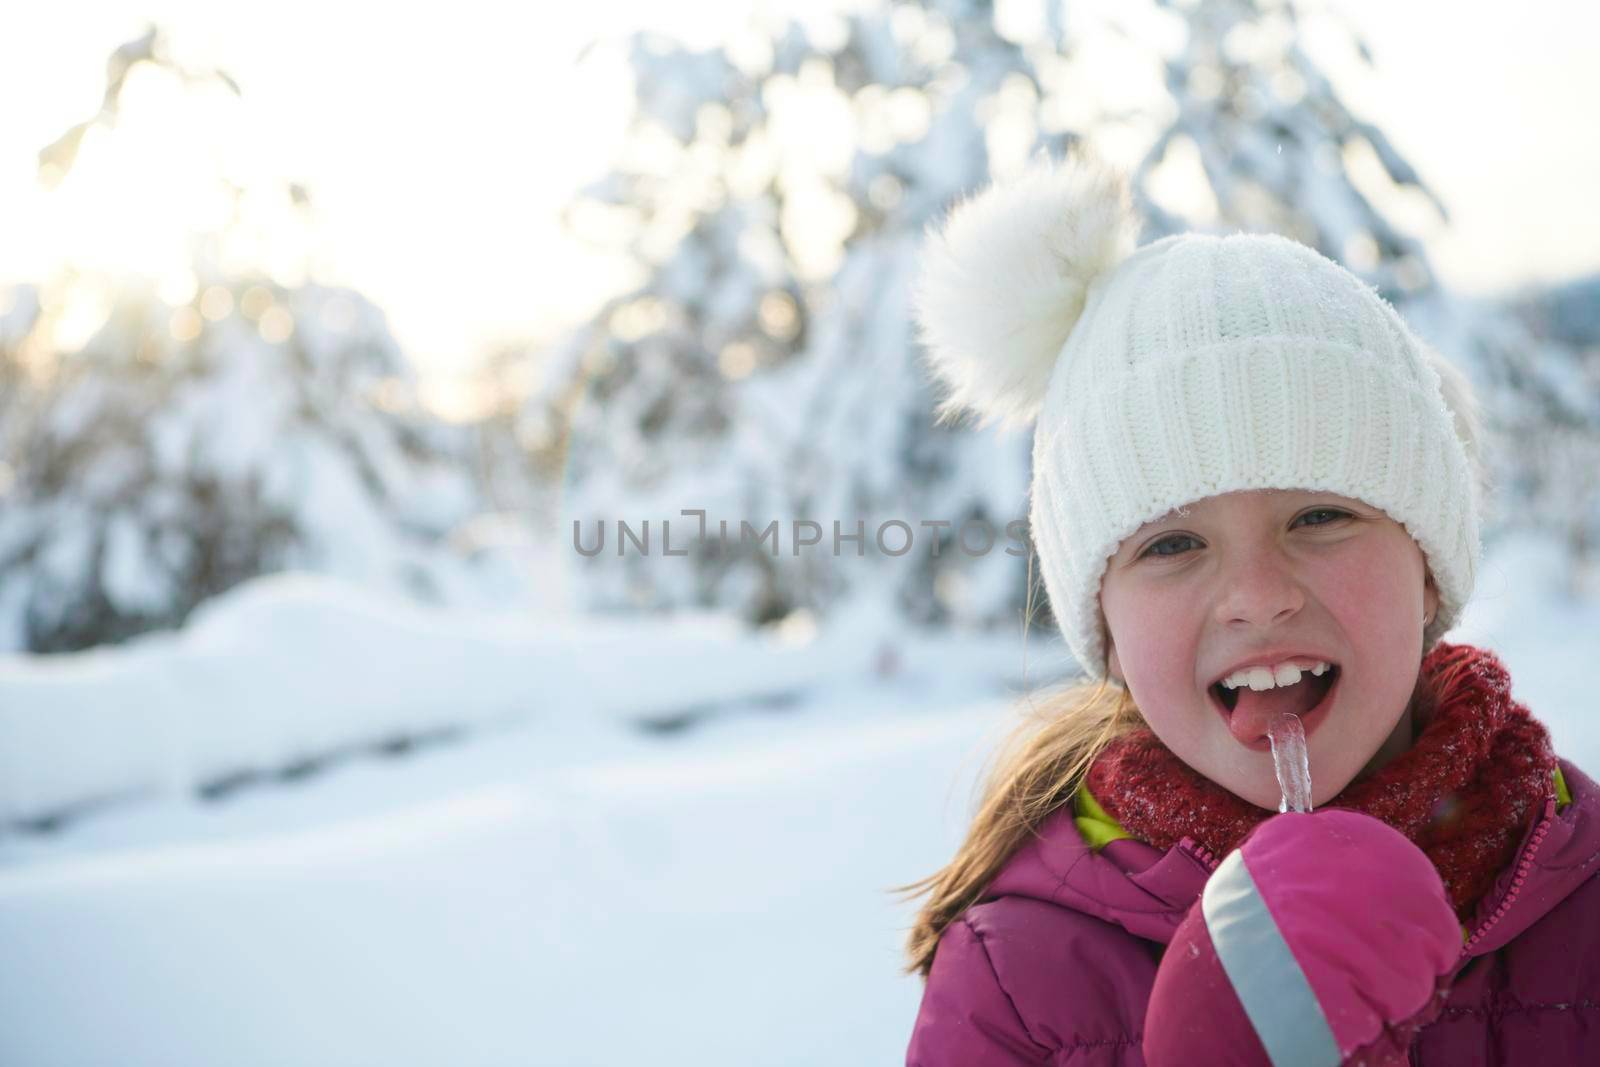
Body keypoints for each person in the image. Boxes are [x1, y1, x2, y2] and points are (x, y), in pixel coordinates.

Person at [897, 152, 1600, 1065]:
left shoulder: (1577, 896)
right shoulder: (1021, 980)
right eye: (1172, 544)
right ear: (1104, 628)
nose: (1259, 596)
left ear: (1429, 568)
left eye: (1320, 516)